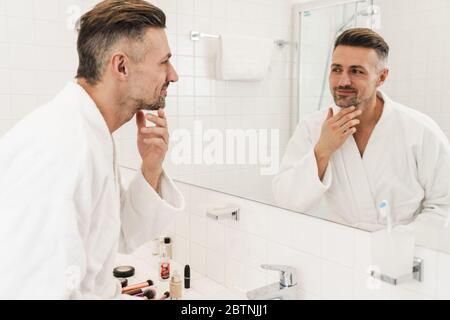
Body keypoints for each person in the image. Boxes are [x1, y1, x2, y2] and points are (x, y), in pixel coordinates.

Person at [0, 0, 184, 299]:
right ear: (121, 66)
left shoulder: (92, 133)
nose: (173, 75)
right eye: (164, 61)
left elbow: (118, 234)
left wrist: (151, 166)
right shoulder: (60, 148)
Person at [273, 28, 449, 229]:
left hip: (402, 252)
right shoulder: (312, 127)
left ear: (381, 77)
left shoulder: (420, 131)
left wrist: (395, 243)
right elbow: (287, 202)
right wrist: (323, 150)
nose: (343, 81)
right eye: (337, 69)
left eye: (356, 71)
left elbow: (443, 207)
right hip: (341, 250)